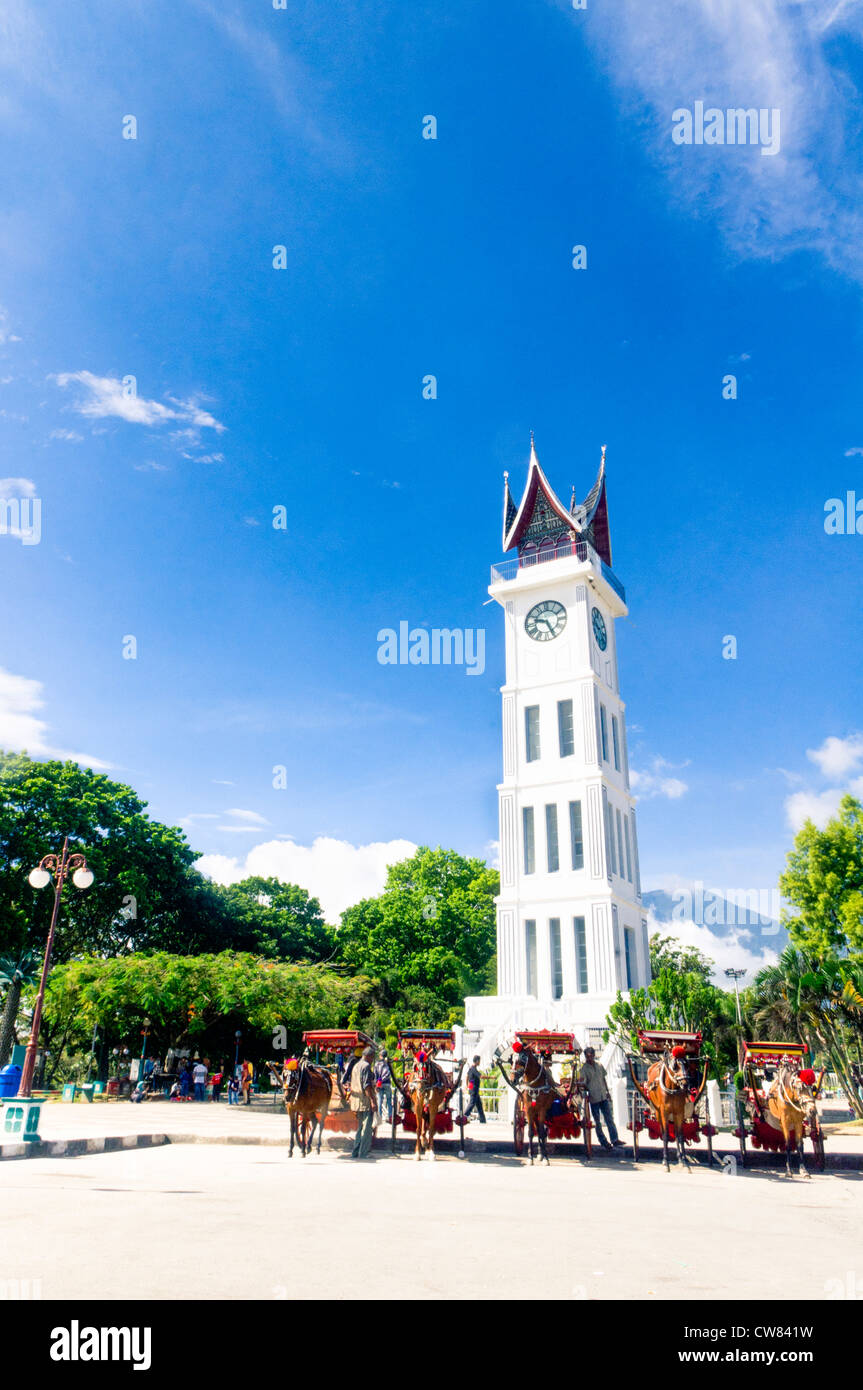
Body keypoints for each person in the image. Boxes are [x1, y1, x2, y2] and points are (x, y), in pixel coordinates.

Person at [579, 1046, 624, 1151]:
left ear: (594, 1055)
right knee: (597, 1122)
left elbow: (604, 1079)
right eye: (587, 1056)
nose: (589, 1058)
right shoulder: (584, 1069)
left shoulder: (599, 1065)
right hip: (594, 1098)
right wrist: (588, 1092)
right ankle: (603, 1141)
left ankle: (615, 1139)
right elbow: (583, 1084)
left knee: (609, 1119)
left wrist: (607, 1092)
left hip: (603, 1096)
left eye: (591, 1055)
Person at [350, 1046, 377, 1158]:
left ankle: (355, 1152)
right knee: (366, 1128)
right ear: (368, 1056)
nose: (372, 1060)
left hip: (356, 1101)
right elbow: (366, 1086)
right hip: (365, 1101)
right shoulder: (365, 1066)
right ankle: (364, 1153)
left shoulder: (356, 1065)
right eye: (372, 1058)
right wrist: (372, 1101)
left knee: (360, 1127)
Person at [464, 1055, 486, 1124]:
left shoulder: (471, 1068)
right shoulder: (473, 1069)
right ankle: (464, 1116)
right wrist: (491, 1077)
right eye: (479, 1061)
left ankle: (482, 1119)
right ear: (477, 1061)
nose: (479, 1062)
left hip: (473, 1088)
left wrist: (468, 1086)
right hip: (474, 1089)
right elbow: (481, 1076)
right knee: (472, 1103)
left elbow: (467, 1076)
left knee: (479, 1104)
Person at [374, 1055, 393, 1123]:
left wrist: (377, 1082)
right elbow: (388, 1074)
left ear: (380, 1056)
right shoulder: (387, 1063)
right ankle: (390, 1116)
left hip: (379, 1084)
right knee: (389, 1100)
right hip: (387, 1083)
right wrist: (382, 1080)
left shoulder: (376, 1064)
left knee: (380, 1100)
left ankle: (379, 1117)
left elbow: (375, 1074)